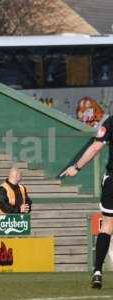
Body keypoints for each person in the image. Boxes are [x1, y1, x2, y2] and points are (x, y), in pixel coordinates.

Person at [61, 115, 113, 289]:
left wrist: (76, 167)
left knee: (106, 225)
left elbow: (96, 145)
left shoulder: (111, 121)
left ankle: (97, 271)